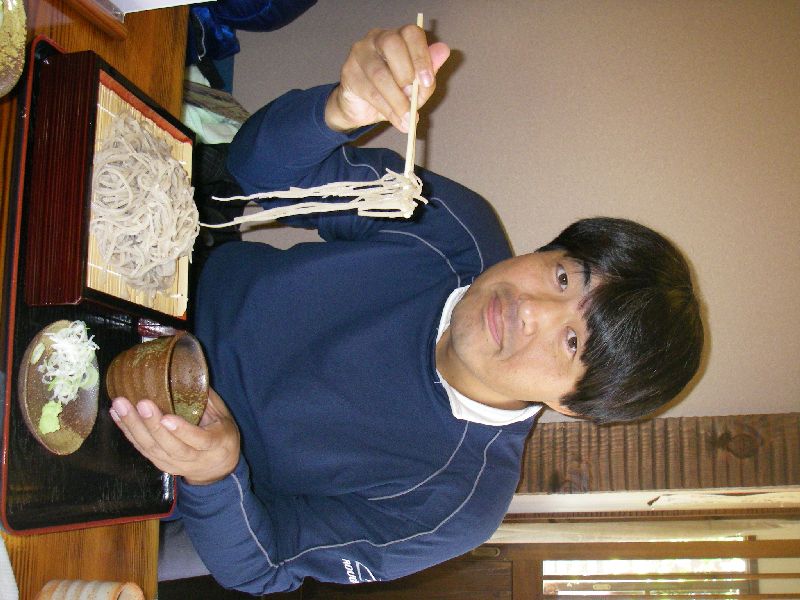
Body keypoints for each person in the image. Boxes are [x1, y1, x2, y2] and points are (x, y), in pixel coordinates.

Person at [109, 22, 704, 594]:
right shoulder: (450, 226)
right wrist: (340, 109)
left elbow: (265, 567)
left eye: (572, 343)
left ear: (570, 406)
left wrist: (215, 474)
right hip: (142, 281)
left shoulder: (457, 505)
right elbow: (255, 173)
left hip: (141, 450)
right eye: (563, 276)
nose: (531, 309)